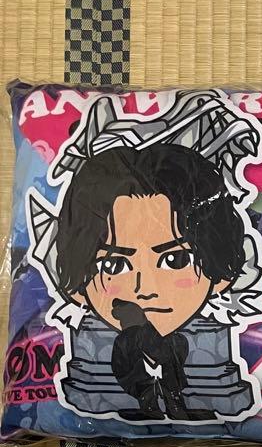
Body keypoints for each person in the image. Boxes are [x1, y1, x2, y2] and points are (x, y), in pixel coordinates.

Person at [51, 141, 249, 420]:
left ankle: (169, 405)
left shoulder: (177, 345)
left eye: (175, 260)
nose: (145, 289)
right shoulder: (126, 345)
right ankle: (154, 406)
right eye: (114, 264)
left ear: (218, 270)